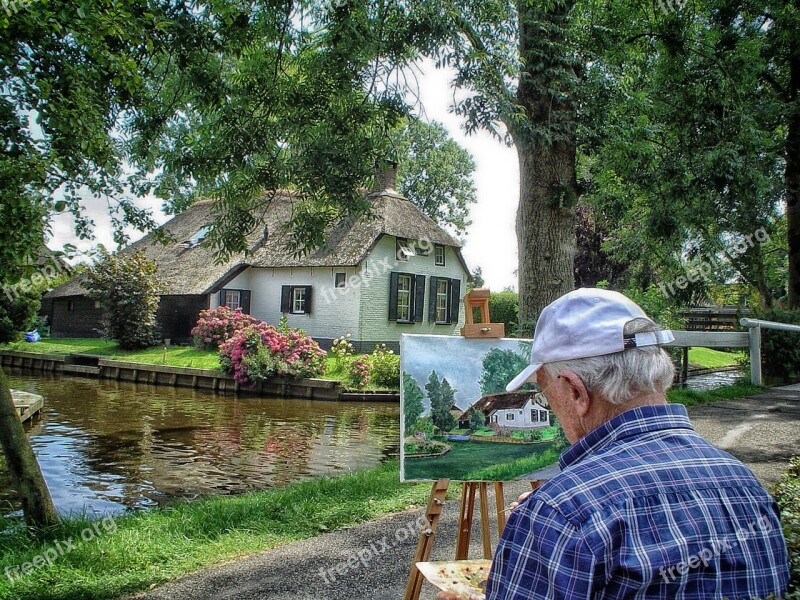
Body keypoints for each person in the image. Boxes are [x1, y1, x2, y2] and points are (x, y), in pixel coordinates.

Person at [438, 288, 789, 600]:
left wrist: (549, 521)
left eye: (547, 395)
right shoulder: (747, 486)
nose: (551, 410)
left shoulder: (560, 513)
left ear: (575, 391)